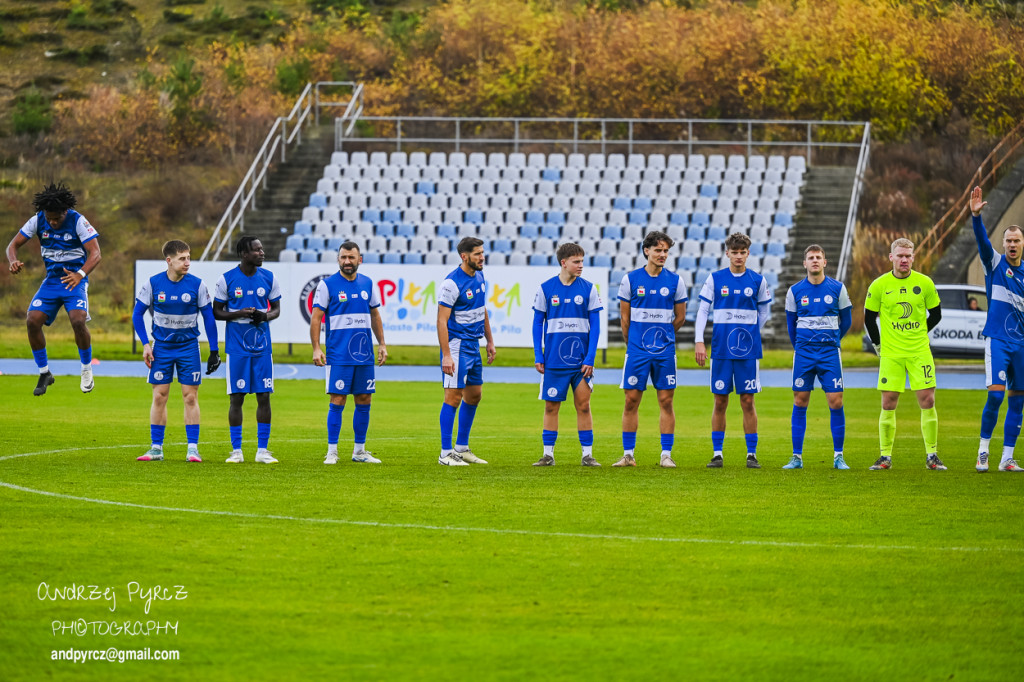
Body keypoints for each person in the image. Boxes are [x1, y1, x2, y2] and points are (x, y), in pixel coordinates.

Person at [6, 182, 101, 396]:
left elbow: (96, 253)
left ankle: (86, 368)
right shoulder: (38, 219)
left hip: (74, 281)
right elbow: (12, 245)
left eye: (56, 218)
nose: (52, 222)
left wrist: (80, 275)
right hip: (52, 281)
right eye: (49, 218)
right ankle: (44, 372)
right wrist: (13, 261)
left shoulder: (78, 220)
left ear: (65, 212)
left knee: (78, 320)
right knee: (32, 321)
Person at [132, 240, 220, 462]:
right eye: (182, 258)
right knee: (159, 396)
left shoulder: (197, 285)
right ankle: (156, 448)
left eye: (189, 257)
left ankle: (192, 448)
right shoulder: (153, 284)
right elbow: (137, 314)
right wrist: (145, 344)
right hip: (161, 348)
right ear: (169, 261)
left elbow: (209, 318)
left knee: (190, 397)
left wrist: (214, 350)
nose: (187, 262)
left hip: (189, 348)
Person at [863, 238, 944, 470]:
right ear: (891, 257)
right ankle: (885, 457)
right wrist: (878, 344)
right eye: (900, 256)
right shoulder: (879, 285)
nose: (904, 260)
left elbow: (936, 314)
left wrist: (920, 332)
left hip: (919, 351)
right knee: (888, 403)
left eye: (908, 256)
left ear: (913, 257)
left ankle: (932, 456)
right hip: (891, 354)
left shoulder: (925, 283)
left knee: (927, 400)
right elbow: (869, 318)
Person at [695, 232, 772, 469]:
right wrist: (700, 340)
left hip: (747, 353)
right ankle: (717, 453)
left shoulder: (758, 280)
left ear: (748, 254)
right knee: (720, 401)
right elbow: (702, 311)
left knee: (748, 401)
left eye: (742, 252)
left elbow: (764, 313)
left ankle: (751, 454)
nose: (738, 256)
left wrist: (749, 335)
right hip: (720, 351)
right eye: (734, 252)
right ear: (727, 253)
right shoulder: (715, 279)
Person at [310, 241, 388, 464]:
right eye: (343, 257)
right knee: (338, 399)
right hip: (338, 355)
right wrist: (316, 348)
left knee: (364, 398)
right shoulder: (327, 285)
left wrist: (382, 343)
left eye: (351, 258)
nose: (347, 262)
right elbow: (316, 318)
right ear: (338, 259)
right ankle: (332, 451)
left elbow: (375, 316)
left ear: (359, 260)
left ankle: (359, 451)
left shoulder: (368, 284)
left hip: (364, 355)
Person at [616, 230, 687, 467]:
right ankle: (628, 455)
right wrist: (633, 343)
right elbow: (624, 319)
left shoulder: (676, 281)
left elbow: (680, 318)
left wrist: (663, 337)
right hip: (637, 351)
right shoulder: (630, 279)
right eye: (658, 250)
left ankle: (666, 455)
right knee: (631, 401)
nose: (662, 255)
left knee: (666, 401)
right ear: (646, 251)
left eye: (666, 251)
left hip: (664, 351)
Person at [531, 243, 603, 467]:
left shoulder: (589, 289)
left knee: (583, 405)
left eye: (582, 261)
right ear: (564, 263)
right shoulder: (546, 289)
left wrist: (590, 357)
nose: (581, 265)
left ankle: (587, 455)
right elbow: (537, 323)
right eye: (576, 261)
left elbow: (596, 326)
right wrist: (538, 355)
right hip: (553, 361)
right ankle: (548, 455)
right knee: (551, 406)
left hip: (580, 363)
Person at [782, 245, 853, 470]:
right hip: (804, 353)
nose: (814, 261)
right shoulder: (794, 291)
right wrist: (801, 346)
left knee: (836, 400)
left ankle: (839, 456)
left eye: (818, 257)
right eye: (810, 258)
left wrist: (832, 340)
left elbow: (847, 321)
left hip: (829, 353)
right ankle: (796, 457)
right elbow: (791, 326)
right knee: (800, 400)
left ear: (825, 262)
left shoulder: (838, 289)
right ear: (804, 263)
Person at [969, 186, 1024, 472]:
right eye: (1008, 240)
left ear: (1023, 244)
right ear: (1003, 244)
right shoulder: (996, 265)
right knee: (996, 394)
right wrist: (976, 218)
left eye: (1016, 240)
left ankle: (1007, 458)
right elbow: (981, 243)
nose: (1012, 244)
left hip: (1022, 345)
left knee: (1018, 400)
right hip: (998, 340)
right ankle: (983, 450)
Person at [213, 236, 281, 464]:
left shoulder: (269, 278)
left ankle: (262, 451)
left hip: (262, 348)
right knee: (237, 398)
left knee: (264, 396)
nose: (262, 253)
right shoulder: (227, 279)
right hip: (237, 349)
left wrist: (265, 315)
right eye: (257, 250)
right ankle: (237, 451)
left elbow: (276, 310)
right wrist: (240, 313)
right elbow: (217, 312)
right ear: (244, 254)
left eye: (262, 249)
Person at [437, 237, 496, 466]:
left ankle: (461, 448)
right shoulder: (451, 284)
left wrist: (489, 341)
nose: (482, 257)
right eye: (477, 254)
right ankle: (445, 453)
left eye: (482, 252)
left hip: (474, 345)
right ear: (464, 256)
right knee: (453, 397)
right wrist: (447, 355)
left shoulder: (480, 277)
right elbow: (441, 321)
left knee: (474, 395)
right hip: (457, 345)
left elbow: (482, 311)